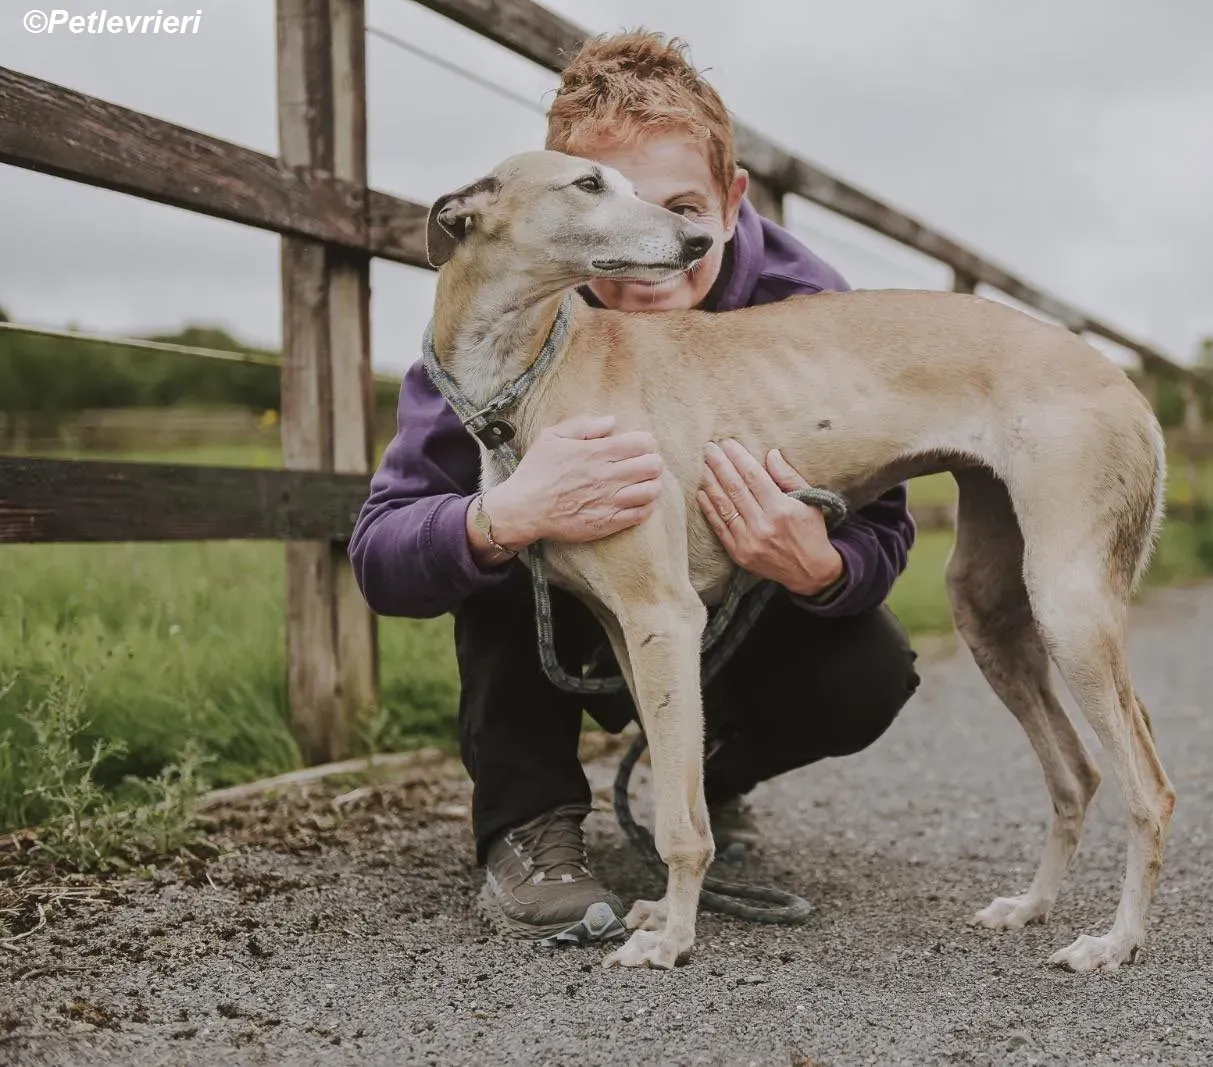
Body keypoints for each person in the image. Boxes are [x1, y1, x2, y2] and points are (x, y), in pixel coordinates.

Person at [348, 30, 920, 946]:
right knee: (494, 521)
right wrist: (503, 516)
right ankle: (528, 823)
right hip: (571, 613)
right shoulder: (494, 325)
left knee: (869, 668)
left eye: (683, 207)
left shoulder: (809, 305)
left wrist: (821, 566)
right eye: (602, 195)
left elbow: (885, 523)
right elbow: (382, 557)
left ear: (732, 200)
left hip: (734, 619)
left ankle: (709, 779)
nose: (658, 234)